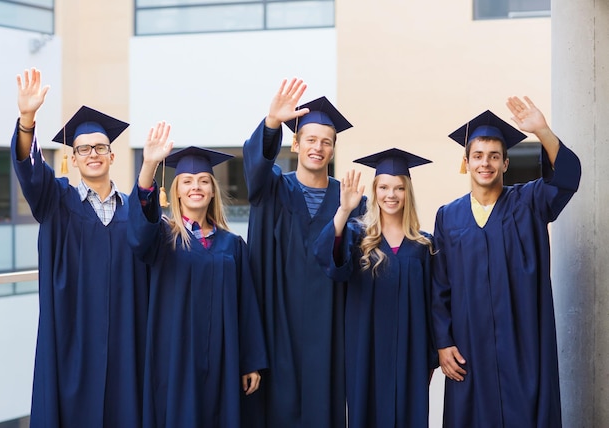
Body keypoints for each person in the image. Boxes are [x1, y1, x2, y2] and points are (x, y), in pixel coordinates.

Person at [431, 96, 582, 427]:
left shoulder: (529, 202)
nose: (486, 163)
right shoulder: (448, 216)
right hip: (470, 348)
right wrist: (443, 342)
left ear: (505, 164)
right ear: (466, 162)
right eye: (478, 156)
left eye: (494, 157)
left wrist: (542, 130)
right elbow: (439, 286)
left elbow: (568, 178)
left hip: (523, 343)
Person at [12, 67, 149, 428]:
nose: (93, 154)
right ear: (73, 159)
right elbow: (30, 168)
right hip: (71, 340)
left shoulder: (135, 212)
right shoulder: (57, 202)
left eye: (100, 148)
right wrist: (28, 119)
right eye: (83, 149)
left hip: (125, 341)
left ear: (112, 156)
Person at [242, 78, 366, 428]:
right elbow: (255, 169)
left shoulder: (351, 200)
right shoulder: (272, 189)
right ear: (295, 144)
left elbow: (350, 266)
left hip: (330, 332)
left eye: (326, 142)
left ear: (333, 150)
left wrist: (344, 214)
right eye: (310, 140)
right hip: (275, 323)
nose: (318, 147)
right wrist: (271, 123)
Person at [128, 122, 268, 428]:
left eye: (204, 181)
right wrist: (149, 166)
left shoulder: (233, 245)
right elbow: (137, 234)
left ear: (212, 191)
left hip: (223, 357)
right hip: (175, 356)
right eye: (188, 181)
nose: (196, 187)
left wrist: (250, 360)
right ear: (175, 191)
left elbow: (246, 306)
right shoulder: (162, 239)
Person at [314, 148, 439, 428]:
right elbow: (329, 262)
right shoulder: (357, 236)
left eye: (399, 188)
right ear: (374, 190)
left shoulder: (424, 245)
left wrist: (431, 356)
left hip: (411, 351)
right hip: (364, 349)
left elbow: (434, 305)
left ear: (408, 193)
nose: (391, 195)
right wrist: (344, 209)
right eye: (383, 187)